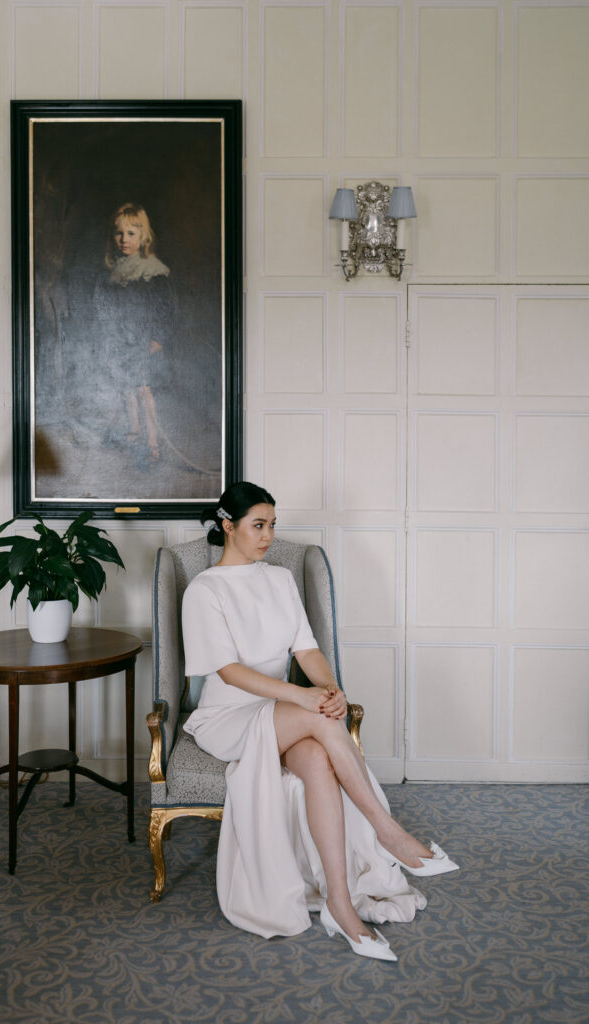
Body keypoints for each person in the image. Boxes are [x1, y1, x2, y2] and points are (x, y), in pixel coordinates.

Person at [182, 481, 459, 962]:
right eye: (258, 525)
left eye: (272, 525)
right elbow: (229, 672)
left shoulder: (280, 580)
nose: (268, 536)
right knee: (321, 723)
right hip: (228, 715)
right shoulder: (204, 590)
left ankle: (339, 903)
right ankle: (388, 831)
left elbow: (305, 648)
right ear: (228, 526)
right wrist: (305, 699)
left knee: (314, 756)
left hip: (281, 712)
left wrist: (330, 690)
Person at [95, 202, 175, 460]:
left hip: (145, 341)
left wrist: (157, 338)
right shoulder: (116, 271)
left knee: (143, 388)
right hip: (121, 339)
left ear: (143, 237)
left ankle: (153, 440)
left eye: (131, 233)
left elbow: (167, 308)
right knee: (127, 387)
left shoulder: (153, 270)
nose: (124, 239)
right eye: (119, 233)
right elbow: (109, 307)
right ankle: (135, 428)